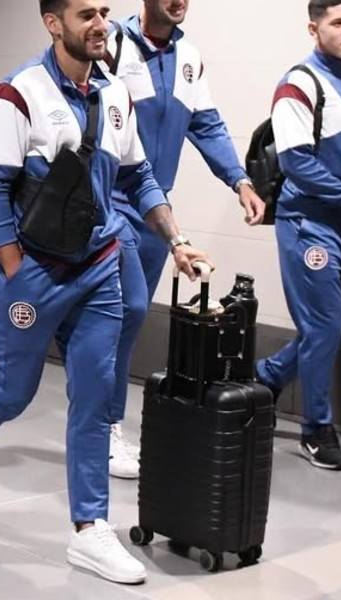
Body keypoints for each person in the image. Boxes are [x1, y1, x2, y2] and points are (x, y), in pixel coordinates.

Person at [0, 0, 212, 585]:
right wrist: (13, 267)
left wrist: (176, 239)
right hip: (33, 272)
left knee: (94, 395)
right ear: (53, 23)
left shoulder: (115, 94)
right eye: (86, 14)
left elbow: (137, 176)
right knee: (12, 393)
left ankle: (90, 528)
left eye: (104, 11)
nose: (101, 23)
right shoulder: (17, 94)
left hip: (99, 268)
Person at [99, 0, 266, 480]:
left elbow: (206, 124)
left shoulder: (188, 59)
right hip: (111, 202)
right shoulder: (114, 44)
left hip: (155, 211)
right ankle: (103, 424)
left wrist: (239, 180)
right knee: (128, 310)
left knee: (124, 323)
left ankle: (99, 419)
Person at [256, 0, 341, 472]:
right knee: (324, 324)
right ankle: (316, 429)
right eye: (338, 23)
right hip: (309, 224)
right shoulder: (298, 84)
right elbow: (296, 162)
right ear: (314, 29)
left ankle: (269, 376)